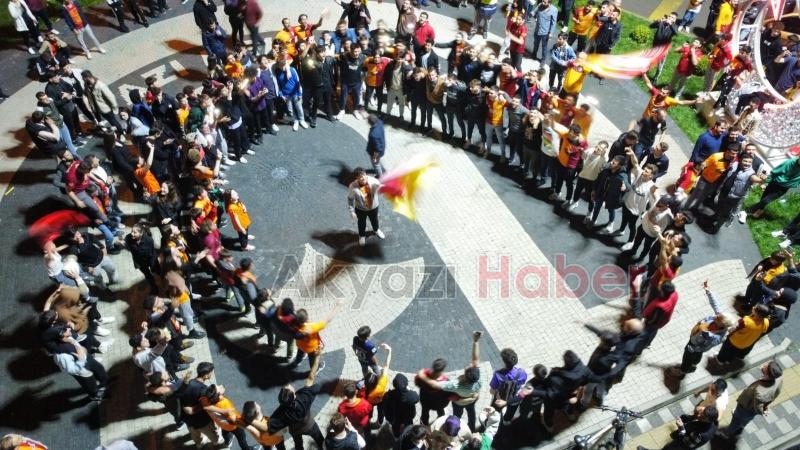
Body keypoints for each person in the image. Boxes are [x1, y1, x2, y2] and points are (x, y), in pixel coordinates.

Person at [417, 332, 482, 432]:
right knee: (471, 413)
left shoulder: (456, 385)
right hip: (472, 400)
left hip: (459, 404)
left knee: (457, 415)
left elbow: (435, 385)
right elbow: (476, 359)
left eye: (468, 367)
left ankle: (454, 426)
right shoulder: (477, 377)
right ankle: (472, 428)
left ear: (465, 376)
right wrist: (476, 342)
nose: (470, 364)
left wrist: (422, 376)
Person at [669, 280, 733, 377]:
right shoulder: (720, 318)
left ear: (721, 325)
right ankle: (694, 364)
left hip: (694, 346)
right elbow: (715, 304)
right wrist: (708, 291)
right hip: (695, 340)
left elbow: (705, 347)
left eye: (718, 318)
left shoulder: (716, 337)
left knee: (687, 358)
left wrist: (693, 348)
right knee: (697, 356)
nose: (716, 315)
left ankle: (683, 371)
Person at [718, 361, 783, 438]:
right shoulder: (778, 379)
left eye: (766, 365)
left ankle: (727, 433)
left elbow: (758, 408)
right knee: (745, 420)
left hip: (745, 409)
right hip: (750, 408)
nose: (765, 364)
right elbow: (777, 392)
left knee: (736, 421)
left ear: (767, 374)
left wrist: (763, 410)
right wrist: (765, 405)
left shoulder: (759, 393)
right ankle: (742, 424)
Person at [268, 372, 324, 450]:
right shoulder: (304, 397)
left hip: (295, 430)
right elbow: (316, 387)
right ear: (293, 395)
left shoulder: (281, 412)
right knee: (319, 438)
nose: (289, 385)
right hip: (309, 425)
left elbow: (271, 425)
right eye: (288, 387)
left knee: (298, 444)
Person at [287, 299, 345, 373]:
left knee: (300, 353)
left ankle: (297, 361)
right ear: (307, 318)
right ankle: (316, 369)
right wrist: (338, 306)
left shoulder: (293, 325)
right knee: (313, 360)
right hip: (311, 349)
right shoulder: (311, 327)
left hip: (300, 345)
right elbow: (327, 320)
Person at [489, 348, 528, 425]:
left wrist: (498, 394)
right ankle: (506, 421)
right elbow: (523, 384)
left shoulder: (498, 375)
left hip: (500, 398)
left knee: (495, 411)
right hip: (514, 398)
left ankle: (494, 422)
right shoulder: (522, 373)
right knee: (511, 412)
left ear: (504, 362)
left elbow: (492, 391)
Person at [347, 167, 385, 246]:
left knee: (374, 220)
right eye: (360, 177)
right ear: (356, 178)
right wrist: (352, 211)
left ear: (365, 174)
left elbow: (381, 188)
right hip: (360, 209)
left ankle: (376, 230)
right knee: (361, 223)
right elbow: (350, 199)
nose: (363, 178)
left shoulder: (374, 181)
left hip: (374, 207)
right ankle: (362, 236)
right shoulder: (352, 186)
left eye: (364, 175)